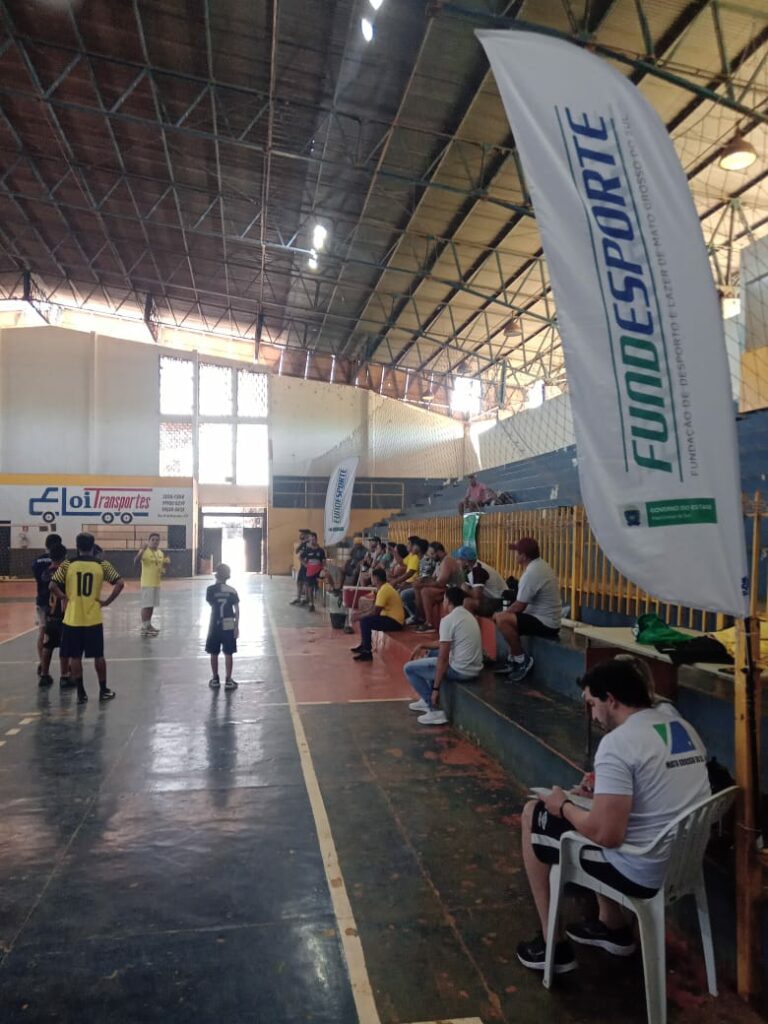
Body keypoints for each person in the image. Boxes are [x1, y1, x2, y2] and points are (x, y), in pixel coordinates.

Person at [516, 658, 710, 974]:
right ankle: (613, 926)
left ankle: (553, 945)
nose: (592, 715)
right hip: (682, 863)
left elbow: (607, 835)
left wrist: (562, 805)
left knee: (532, 815)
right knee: (590, 811)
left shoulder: (618, 744)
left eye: (592, 704)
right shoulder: (679, 727)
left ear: (611, 699)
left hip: (641, 871)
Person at [51, 532, 124, 705]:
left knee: (75, 657)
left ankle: (81, 693)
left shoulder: (68, 564)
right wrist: (106, 602)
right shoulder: (102, 564)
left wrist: (64, 597)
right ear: (92, 546)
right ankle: (103, 690)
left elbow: (52, 584)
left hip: (72, 618)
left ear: (77, 546)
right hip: (93, 618)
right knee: (98, 656)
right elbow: (120, 583)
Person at [404, 586, 483, 726]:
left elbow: (444, 658)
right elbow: (443, 644)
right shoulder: (468, 616)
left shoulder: (448, 620)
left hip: (460, 670)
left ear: (448, 600)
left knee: (409, 669)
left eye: (444, 599)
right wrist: (423, 645)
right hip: (474, 669)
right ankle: (425, 698)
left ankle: (433, 709)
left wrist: (435, 688)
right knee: (430, 653)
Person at [494, 537, 561, 681]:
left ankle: (521, 660)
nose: (515, 556)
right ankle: (513, 659)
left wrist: (501, 615)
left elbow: (519, 606)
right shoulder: (539, 566)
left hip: (546, 623)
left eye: (516, 553)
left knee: (502, 620)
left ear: (523, 556)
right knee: (504, 619)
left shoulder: (532, 573)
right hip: (545, 619)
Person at [349, 567, 405, 661]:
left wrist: (359, 617)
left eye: (372, 577)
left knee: (366, 621)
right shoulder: (383, 588)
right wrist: (360, 613)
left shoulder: (384, 590)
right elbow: (373, 608)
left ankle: (367, 652)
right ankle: (364, 645)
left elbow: (375, 612)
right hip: (389, 618)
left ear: (376, 578)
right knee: (365, 619)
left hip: (395, 622)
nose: (371, 579)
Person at [38, 543, 70, 689]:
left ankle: (44, 675)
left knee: (47, 646)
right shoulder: (65, 573)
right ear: (65, 557)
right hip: (63, 615)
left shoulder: (45, 572)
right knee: (65, 647)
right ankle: (64, 676)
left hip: (49, 614)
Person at [415, 542, 466, 632]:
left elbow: (441, 583)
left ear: (439, 552)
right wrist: (422, 580)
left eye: (432, 554)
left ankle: (429, 623)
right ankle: (421, 618)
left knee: (425, 591)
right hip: (446, 588)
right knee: (418, 587)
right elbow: (433, 578)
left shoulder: (447, 561)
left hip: (455, 591)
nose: (431, 557)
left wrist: (423, 584)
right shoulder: (439, 562)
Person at [32, 533, 64, 677]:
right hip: (58, 604)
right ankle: (67, 669)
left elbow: (39, 579)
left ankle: (42, 664)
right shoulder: (63, 564)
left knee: (42, 633)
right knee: (64, 635)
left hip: (42, 600)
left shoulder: (37, 562)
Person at [205, 563, 240, 690]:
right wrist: (236, 626)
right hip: (229, 622)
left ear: (216, 575)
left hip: (215, 623)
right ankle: (229, 680)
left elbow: (211, 603)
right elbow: (237, 609)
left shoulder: (210, 590)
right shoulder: (232, 591)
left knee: (213, 651)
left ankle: (215, 678)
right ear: (228, 576)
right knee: (228, 652)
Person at [454, 545, 507, 617]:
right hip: (488, 598)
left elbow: (476, 596)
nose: (456, 562)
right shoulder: (469, 569)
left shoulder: (479, 570)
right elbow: (467, 590)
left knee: (467, 603)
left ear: (466, 561)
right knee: (457, 599)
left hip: (498, 601)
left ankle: (471, 626)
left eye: (458, 559)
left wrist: (464, 588)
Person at [134, 532, 169, 636]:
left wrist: (166, 565)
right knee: (146, 605)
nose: (155, 541)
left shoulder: (160, 553)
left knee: (151, 605)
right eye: (152, 539)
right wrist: (141, 551)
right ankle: (144, 627)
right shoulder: (145, 551)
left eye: (157, 540)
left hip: (156, 583)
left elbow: (162, 570)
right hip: (147, 583)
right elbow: (135, 562)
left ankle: (149, 625)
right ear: (149, 541)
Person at [400, 539, 435, 624]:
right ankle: (415, 615)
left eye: (414, 545)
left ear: (419, 547)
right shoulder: (420, 559)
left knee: (405, 594)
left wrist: (414, 582)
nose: (412, 547)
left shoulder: (426, 559)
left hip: (427, 585)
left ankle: (418, 617)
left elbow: (425, 578)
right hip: (421, 584)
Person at [303, 532, 326, 612]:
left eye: (314, 539)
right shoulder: (307, 550)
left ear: (316, 539)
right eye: (311, 539)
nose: (313, 541)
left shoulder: (321, 550)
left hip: (319, 572)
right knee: (310, 588)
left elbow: (323, 561)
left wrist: (323, 569)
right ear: (310, 540)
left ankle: (323, 602)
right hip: (310, 572)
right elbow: (300, 557)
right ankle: (311, 604)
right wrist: (305, 565)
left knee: (318, 587)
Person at [289, 528, 312, 606]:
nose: (300, 535)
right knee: (299, 582)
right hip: (303, 566)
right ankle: (298, 598)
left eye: (302, 534)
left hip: (308, 566)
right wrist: (302, 543)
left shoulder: (310, 543)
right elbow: (297, 551)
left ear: (307, 535)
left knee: (307, 583)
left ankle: (307, 599)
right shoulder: (303, 543)